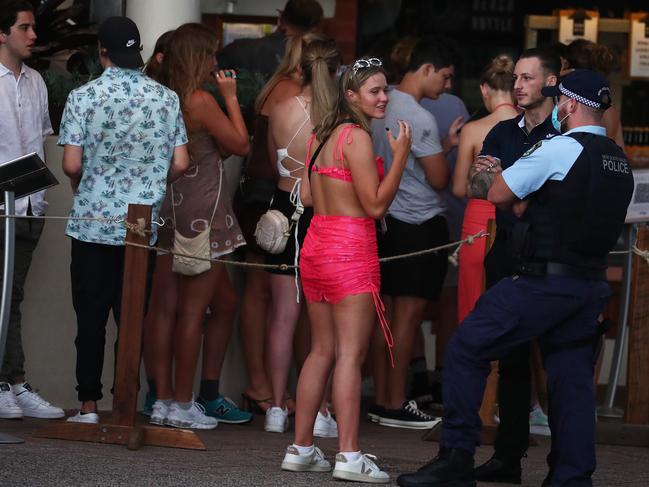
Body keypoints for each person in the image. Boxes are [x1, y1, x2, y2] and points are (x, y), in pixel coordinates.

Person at [397, 68, 634, 487]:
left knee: (467, 348)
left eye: (560, 100)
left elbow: (497, 192)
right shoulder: (619, 161)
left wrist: (493, 173)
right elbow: (570, 210)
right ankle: (572, 476)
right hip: (589, 286)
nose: (557, 107)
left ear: (571, 104)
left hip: (544, 282)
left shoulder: (560, 148)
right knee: (572, 383)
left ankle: (456, 459)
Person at [280, 58, 411, 483]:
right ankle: (350, 456)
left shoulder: (321, 134)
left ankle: (301, 447)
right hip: (351, 249)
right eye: (374, 91)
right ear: (351, 96)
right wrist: (399, 160)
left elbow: (315, 200)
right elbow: (375, 206)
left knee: (321, 350)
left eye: (385, 89)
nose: (383, 98)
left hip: (317, 246)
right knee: (350, 356)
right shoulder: (355, 137)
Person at [59, 16, 189, 423]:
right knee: (132, 318)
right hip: (141, 225)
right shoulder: (167, 99)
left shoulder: (83, 97)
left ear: (102, 52)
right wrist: (151, 182)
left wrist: (86, 183)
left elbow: (71, 163)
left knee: (91, 319)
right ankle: (125, 406)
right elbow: (182, 162)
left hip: (92, 221)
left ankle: (87, 405)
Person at [460, 48, 560, 484]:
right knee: (512, 357)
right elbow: (476, 185)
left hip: (554, 257)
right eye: (515, 77)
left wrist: (509, 182)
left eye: (527, 78)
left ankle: (568, 463)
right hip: (506, 254)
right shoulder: (502, 129)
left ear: (551, 82)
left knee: (559, 361)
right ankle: (508, 456)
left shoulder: (568, 134)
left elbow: (555, 197)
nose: (517, 85)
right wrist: (514, 188)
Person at [142, 22, 249, 430]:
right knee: (191, 311)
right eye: (210, 54)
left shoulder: (160, 97)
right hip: (204, 216)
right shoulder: (201, 100)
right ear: (196, 57)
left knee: (163, 309)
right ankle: (185, 403)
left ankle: (163, 400)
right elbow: (240, 144)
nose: (215, 62)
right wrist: (232, 98)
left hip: (166, 211)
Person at [370, 39, 462, 429]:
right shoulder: (420, 118)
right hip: (419, 223)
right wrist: (449, 152)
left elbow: (400, 162)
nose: (447, 86)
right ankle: (395, 402)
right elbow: (439, 178)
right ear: (426, 69)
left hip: (386, 219)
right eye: (444, 77)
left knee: (385, 317)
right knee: (407, 319)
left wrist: (442, 145)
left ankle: (380, 397)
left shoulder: (379, 102)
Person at [234, 32, 326, 415]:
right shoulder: (323, 107)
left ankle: (272, 400)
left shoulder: (275, 93)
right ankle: (309, 404)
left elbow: (273, 161)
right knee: (306, 311)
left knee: (275, 306)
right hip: (304, 204)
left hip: (271, 201)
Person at [263, 37, 341, 434]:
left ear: (300, 70)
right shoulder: (336, 115)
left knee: (282, 316)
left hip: (280, 204)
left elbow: (268, 155)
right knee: (320, 319)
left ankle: (276, 407)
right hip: (319, 209)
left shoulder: (279, 109)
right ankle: (321, 409)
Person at [0, 0, 64, 420]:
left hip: (29, 205)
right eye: (24, 27)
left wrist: (36, 199)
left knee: (12, 295)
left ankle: (13, 382)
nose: (33, 35)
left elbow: (39, 142)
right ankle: (8, 382)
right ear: (2, 33)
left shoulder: (37, 81)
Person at [452, 55, 518, 322]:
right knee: (510, 299)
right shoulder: (529, 127)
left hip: (478, 221)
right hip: (515, 217)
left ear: (484, 89)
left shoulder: (473, 129)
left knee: (474, 299)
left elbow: (458, 188)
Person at [218, 0, 323, 80]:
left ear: (280, 17)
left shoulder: (238, 48)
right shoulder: (318, 60)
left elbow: (212, 79)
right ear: (314, 29)